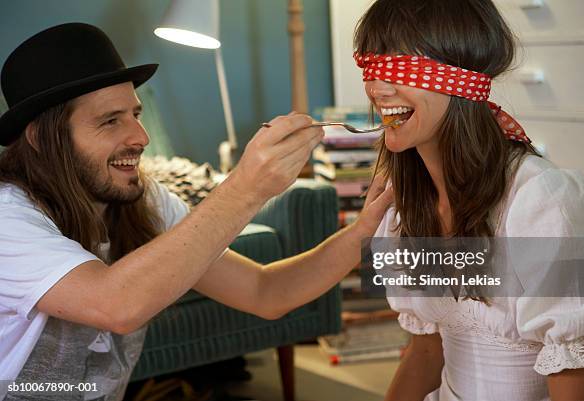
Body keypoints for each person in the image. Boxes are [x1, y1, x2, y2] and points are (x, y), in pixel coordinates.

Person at [0, 23, 394, 400]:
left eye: (135, 115)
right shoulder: (8, 217)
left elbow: (265, 292)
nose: (140, 137)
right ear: (40, 137)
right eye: (109, 121)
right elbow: (115, 305)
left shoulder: (145, 202)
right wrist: (247, 188)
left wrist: (364, 230)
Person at [352, 0, 584, 400]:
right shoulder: (405, 205)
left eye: (400, 66)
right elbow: (424, 353)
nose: (377, 88)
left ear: (462, 81)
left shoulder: (546, 205)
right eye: (371, 64)